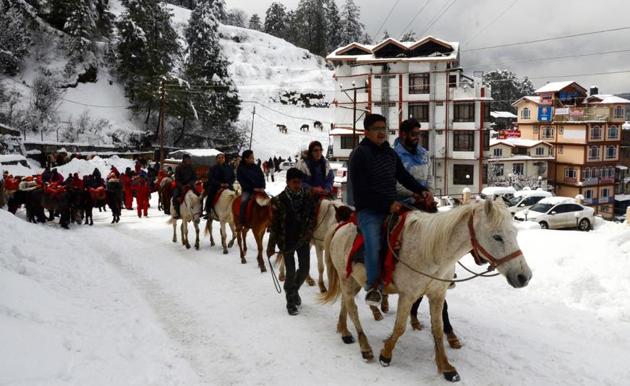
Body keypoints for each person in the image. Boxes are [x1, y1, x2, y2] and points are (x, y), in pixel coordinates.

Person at [348, 114, 431, 307]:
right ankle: (374, 286)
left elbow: (403, 177)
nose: (381, 132)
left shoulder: (389, 153)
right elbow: (361, 191)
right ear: (366, 132)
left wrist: (422, 190)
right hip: (369, 210)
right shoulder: (359, 154)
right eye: (376, 128)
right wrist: (387, 204)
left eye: (383, 128)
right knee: (374, 242)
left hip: (391, 206)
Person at [267, 168, 318, 315]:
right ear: (288, 182)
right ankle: (290, 300)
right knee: (290, 271)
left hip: (302, 239)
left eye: (300, 182)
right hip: (286, 240)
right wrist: (271, 246)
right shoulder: (278, 200)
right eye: (295, 182)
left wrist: (308, 234)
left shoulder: (308, 197)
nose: (298, 185)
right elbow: (274, 226)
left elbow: (312, 219)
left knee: (304, 269)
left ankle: (293, 290)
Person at [394, 118, 433, 204]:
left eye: (419, 134)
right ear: (404, 134)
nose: (417, 138)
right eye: (414, 134)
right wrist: (414, 194)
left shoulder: (424, 154)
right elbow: (396, 185)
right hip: (402, 205)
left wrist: (429, 194)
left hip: (423, 202)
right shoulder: (395, 156)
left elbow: (429, 177)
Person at [236, 150, 266, 225]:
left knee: (268, 202)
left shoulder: (256, 167)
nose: (253, 159)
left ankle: (269, 221)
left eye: (253, 157)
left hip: (260, 190)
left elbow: (262, 177)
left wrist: (262, 187)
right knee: (243, 202)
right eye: (251, 158)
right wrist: (252, 188)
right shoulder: (240, 168)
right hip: (248, 190)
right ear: (246, 159)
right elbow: (242, 181)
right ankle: (241, 222)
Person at [204, 152, 235, 218]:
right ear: (216, 159)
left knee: (235, 195)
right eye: (219, 158)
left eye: (222, 158)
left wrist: (228, 183)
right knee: (210, 195)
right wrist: (220, 184)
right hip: (216, 186)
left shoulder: (229, 168)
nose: (221, 159)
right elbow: (211, 178)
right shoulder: (213, 168)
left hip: (228, 186)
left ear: (224, 159)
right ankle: (208, 211)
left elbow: (233, 177)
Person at [172, 154, 197, 218]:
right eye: (187, 160)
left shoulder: (192, 167)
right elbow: (177, 179)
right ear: (184, 160)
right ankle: (177, 213)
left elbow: (194, 178)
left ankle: (199, 212)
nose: (188, 161)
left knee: (199, 196)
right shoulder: (178, 168)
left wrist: (190, 184)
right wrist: (181, 186)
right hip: (180, 186)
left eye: (189, 159)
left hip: (190, 185)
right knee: (175, 197)